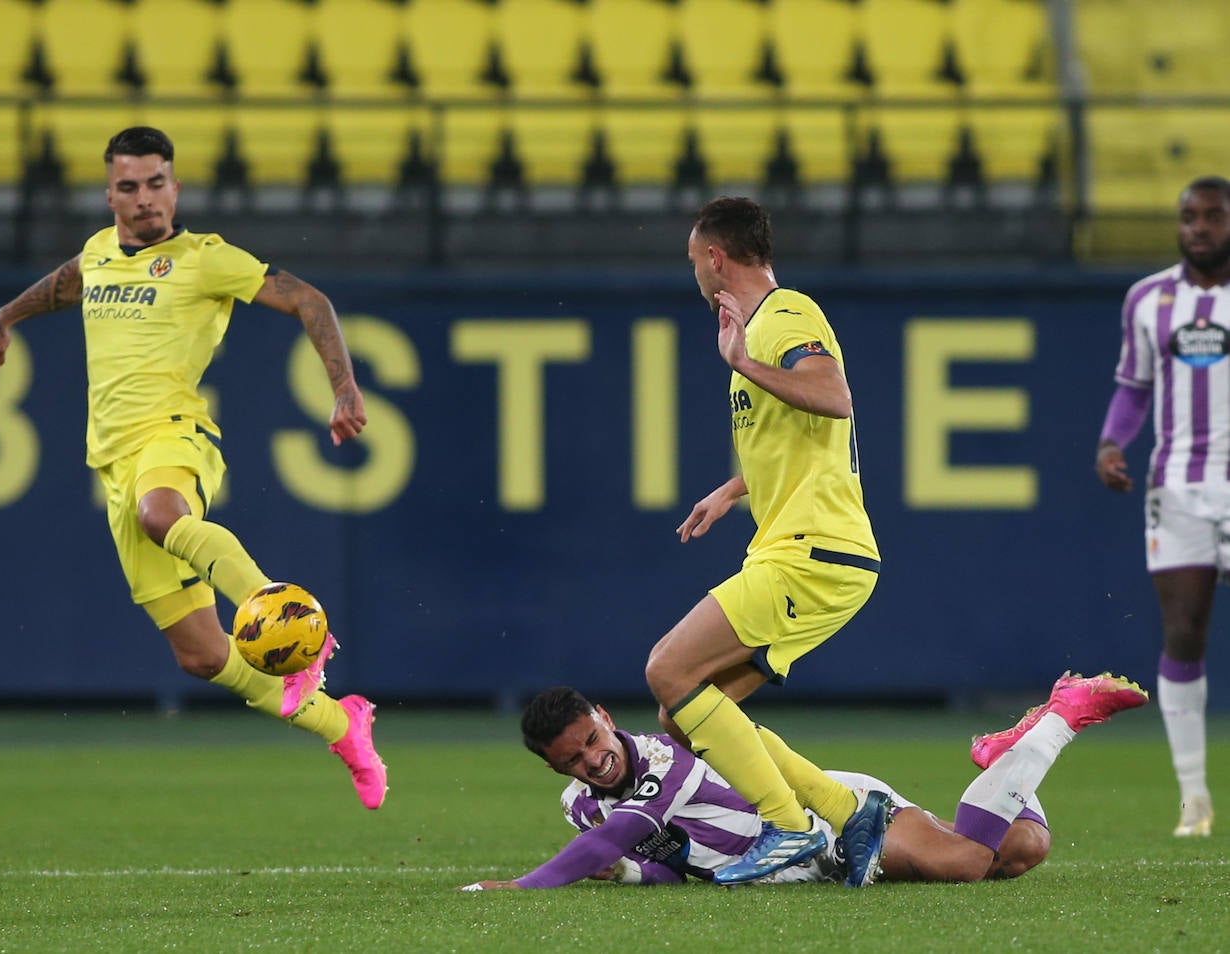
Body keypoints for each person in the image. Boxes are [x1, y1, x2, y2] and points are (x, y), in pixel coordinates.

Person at [0, 126, 387, 810]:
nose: (144, 199)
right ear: (110, 195)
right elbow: (71, 280)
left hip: (174, 435)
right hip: (111, 462)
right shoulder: (100, 252)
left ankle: (291, 625)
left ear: (176, 188)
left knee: (163, 513)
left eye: (156, 183)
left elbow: (310, 300)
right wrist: (6, 316)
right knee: (200, 656)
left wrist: (343, 386)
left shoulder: (203, 259)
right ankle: (343, 723)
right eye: (129, 187)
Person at [643, 195, 886, 885]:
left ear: (715, 258)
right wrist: (732, 489)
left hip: (814, 551)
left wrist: (744, 364)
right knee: (685, 714)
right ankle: (850, 809)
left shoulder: (785, 315)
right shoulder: (756, 328)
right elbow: (801, 440)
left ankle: (788, 827)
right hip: (814, 553)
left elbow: (833, 397)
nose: (693, 273)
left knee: (667, 668)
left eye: (694, 260)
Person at [460, 676, 1148, 891]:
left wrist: (523, 888)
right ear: (556, 769)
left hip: (831, 819)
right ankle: (1011, 752)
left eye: (594, 741)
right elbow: (672, 869)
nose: (594, 761)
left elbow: (624, 833)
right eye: (576, 760)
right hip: (803, 861)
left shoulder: (663, 757)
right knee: (1020, 851)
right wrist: (632, 877)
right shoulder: (577, 806)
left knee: (968, 862)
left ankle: (1060, 719)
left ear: (608, 721)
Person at [1094, 175, 1230, 838]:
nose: (1199, 227)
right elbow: (1133, 386)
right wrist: (1112, 442)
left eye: (1213, 216)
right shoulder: (1148, 299)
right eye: (1189, 217)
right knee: (1183, 633)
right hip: (1176, 485)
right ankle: (1195, 799)